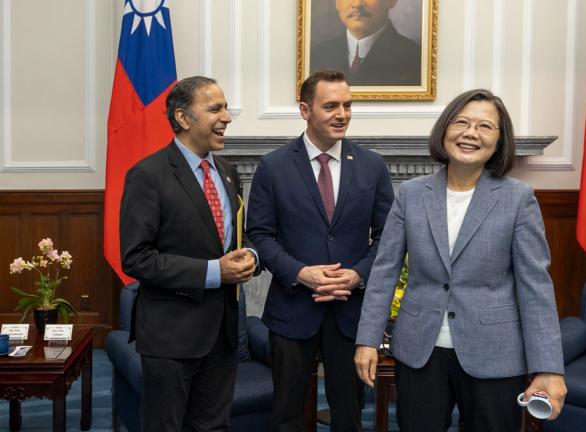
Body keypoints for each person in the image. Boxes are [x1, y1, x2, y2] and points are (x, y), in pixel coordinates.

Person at [354, 89, 567, 432]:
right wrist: (367, 339)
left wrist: (549, 368)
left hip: (495, 354)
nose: (471, 133)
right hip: (419, 351)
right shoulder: (411, 194)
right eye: (462, 122)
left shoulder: (518, 199)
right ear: (445, 130)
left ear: (499, 142)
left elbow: (536, 289)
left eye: (485, 126)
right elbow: (383, 273)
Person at [246, 70, 394, 431]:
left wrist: (358, 273)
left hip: (351, 312)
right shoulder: (274, 166)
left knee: (350, 415)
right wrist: (301, 272)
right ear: (304, 110)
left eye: (347, 105)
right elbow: (260, 236)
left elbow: (390, 238)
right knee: (288, 415)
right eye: (330, 106)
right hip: (293, 310)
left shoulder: (372, 165)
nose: (341, 113)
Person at [120, 76, 259, 432]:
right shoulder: (147, 175)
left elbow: (233, 241)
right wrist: (215, 272)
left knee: (213, 427)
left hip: (222, 335)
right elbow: (136, 257)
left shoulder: (228, 174)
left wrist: (247, 259)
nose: (227, 117)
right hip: (171, 336)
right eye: (215, 108)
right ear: (183, 118)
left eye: (226, 108)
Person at [311, 0, 421, 86]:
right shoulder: (315, 55)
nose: (357, 3)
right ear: (337, 3)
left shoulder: (416, 58)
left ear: (392, 1)